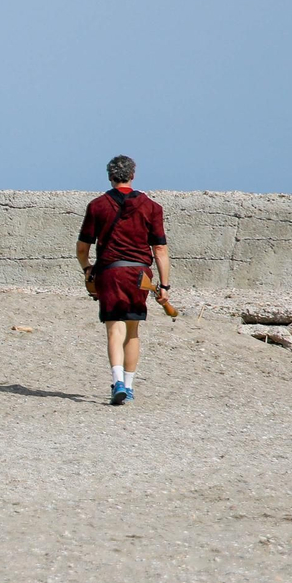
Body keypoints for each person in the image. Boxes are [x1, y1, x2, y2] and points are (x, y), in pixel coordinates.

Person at [75, 155, 171, 406]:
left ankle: (117, 380)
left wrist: (87, 269)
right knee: (133, 330)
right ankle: (128, 387)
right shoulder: (152, 207)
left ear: (110, 176)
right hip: (140, 275)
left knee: (113, 330)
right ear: (133, 175)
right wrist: (165, 286)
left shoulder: (97, 205)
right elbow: (160, 250)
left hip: (110, 272)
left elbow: (82, 248)